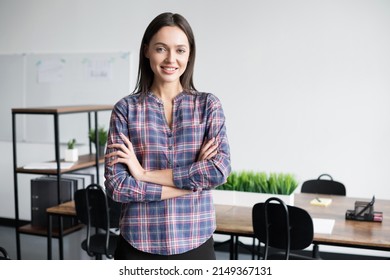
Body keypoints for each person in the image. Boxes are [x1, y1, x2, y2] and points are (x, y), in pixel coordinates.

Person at [104, 12, 231, 260]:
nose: (171, 59)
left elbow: (219, 170)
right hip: (138, 242)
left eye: (180, 50)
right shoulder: (125, 110)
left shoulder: (208, 106)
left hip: (196, 240)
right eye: (161, 49)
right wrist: (190, 185)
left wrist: (142, 175)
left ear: (189, 54)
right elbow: (117, 186)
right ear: (147, 51)